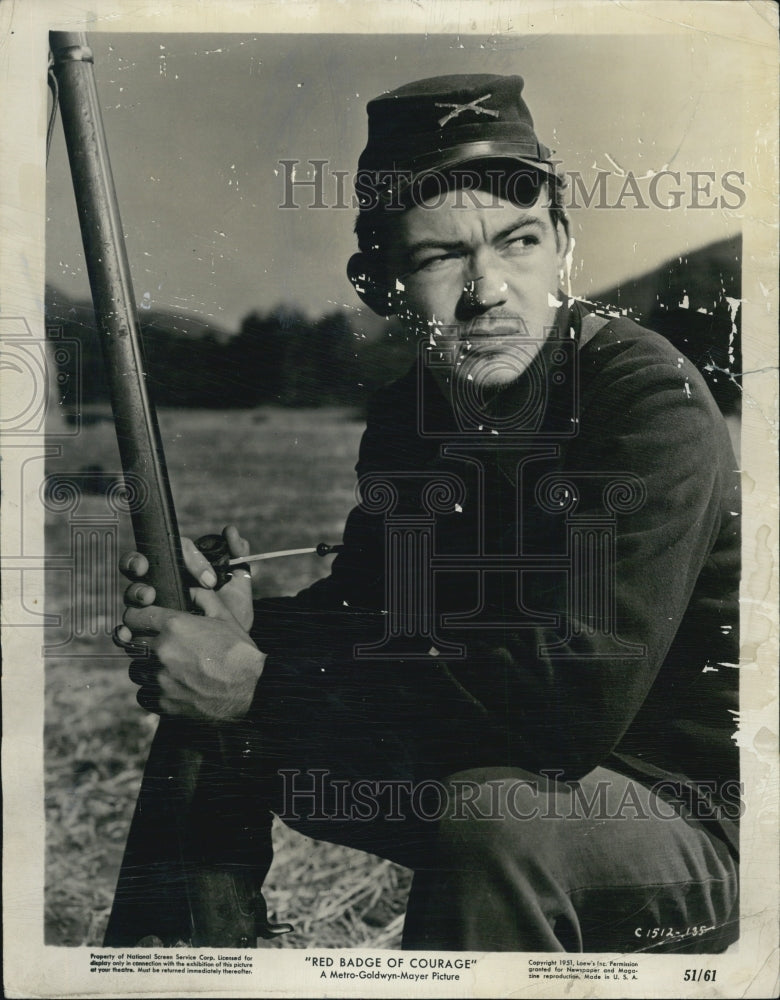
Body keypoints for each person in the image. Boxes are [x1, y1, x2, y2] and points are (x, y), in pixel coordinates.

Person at [115, 74, 740, 952]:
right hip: (505, 768)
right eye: (440, 257)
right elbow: (380, 624)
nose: (488, 289)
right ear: (381, 283)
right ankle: (181, 963)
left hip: (688, 820)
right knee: (207, 712)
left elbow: (562, 706)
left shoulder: (647, 402)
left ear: (564, 242)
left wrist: (258, 682)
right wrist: (247, 633)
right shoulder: (416, 417)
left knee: (495, 816)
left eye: (518, 242)